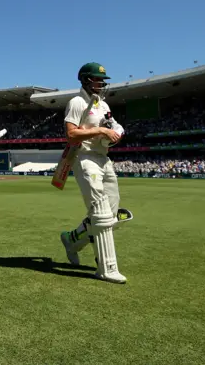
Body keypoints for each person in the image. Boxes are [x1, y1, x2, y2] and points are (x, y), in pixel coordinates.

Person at [59, 62, 132, 284]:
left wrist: (116, 132)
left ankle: (72, 241)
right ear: (84, 80)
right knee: (100, 213)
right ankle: (106, 268)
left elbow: (116, 125)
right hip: (85, 158)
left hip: (104, 159)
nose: (101, 83)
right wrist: (100, 130)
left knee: (110, 214)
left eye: (102, 80)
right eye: (97, 80)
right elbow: (71, 135)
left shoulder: (102, 104)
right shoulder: (77, 102)